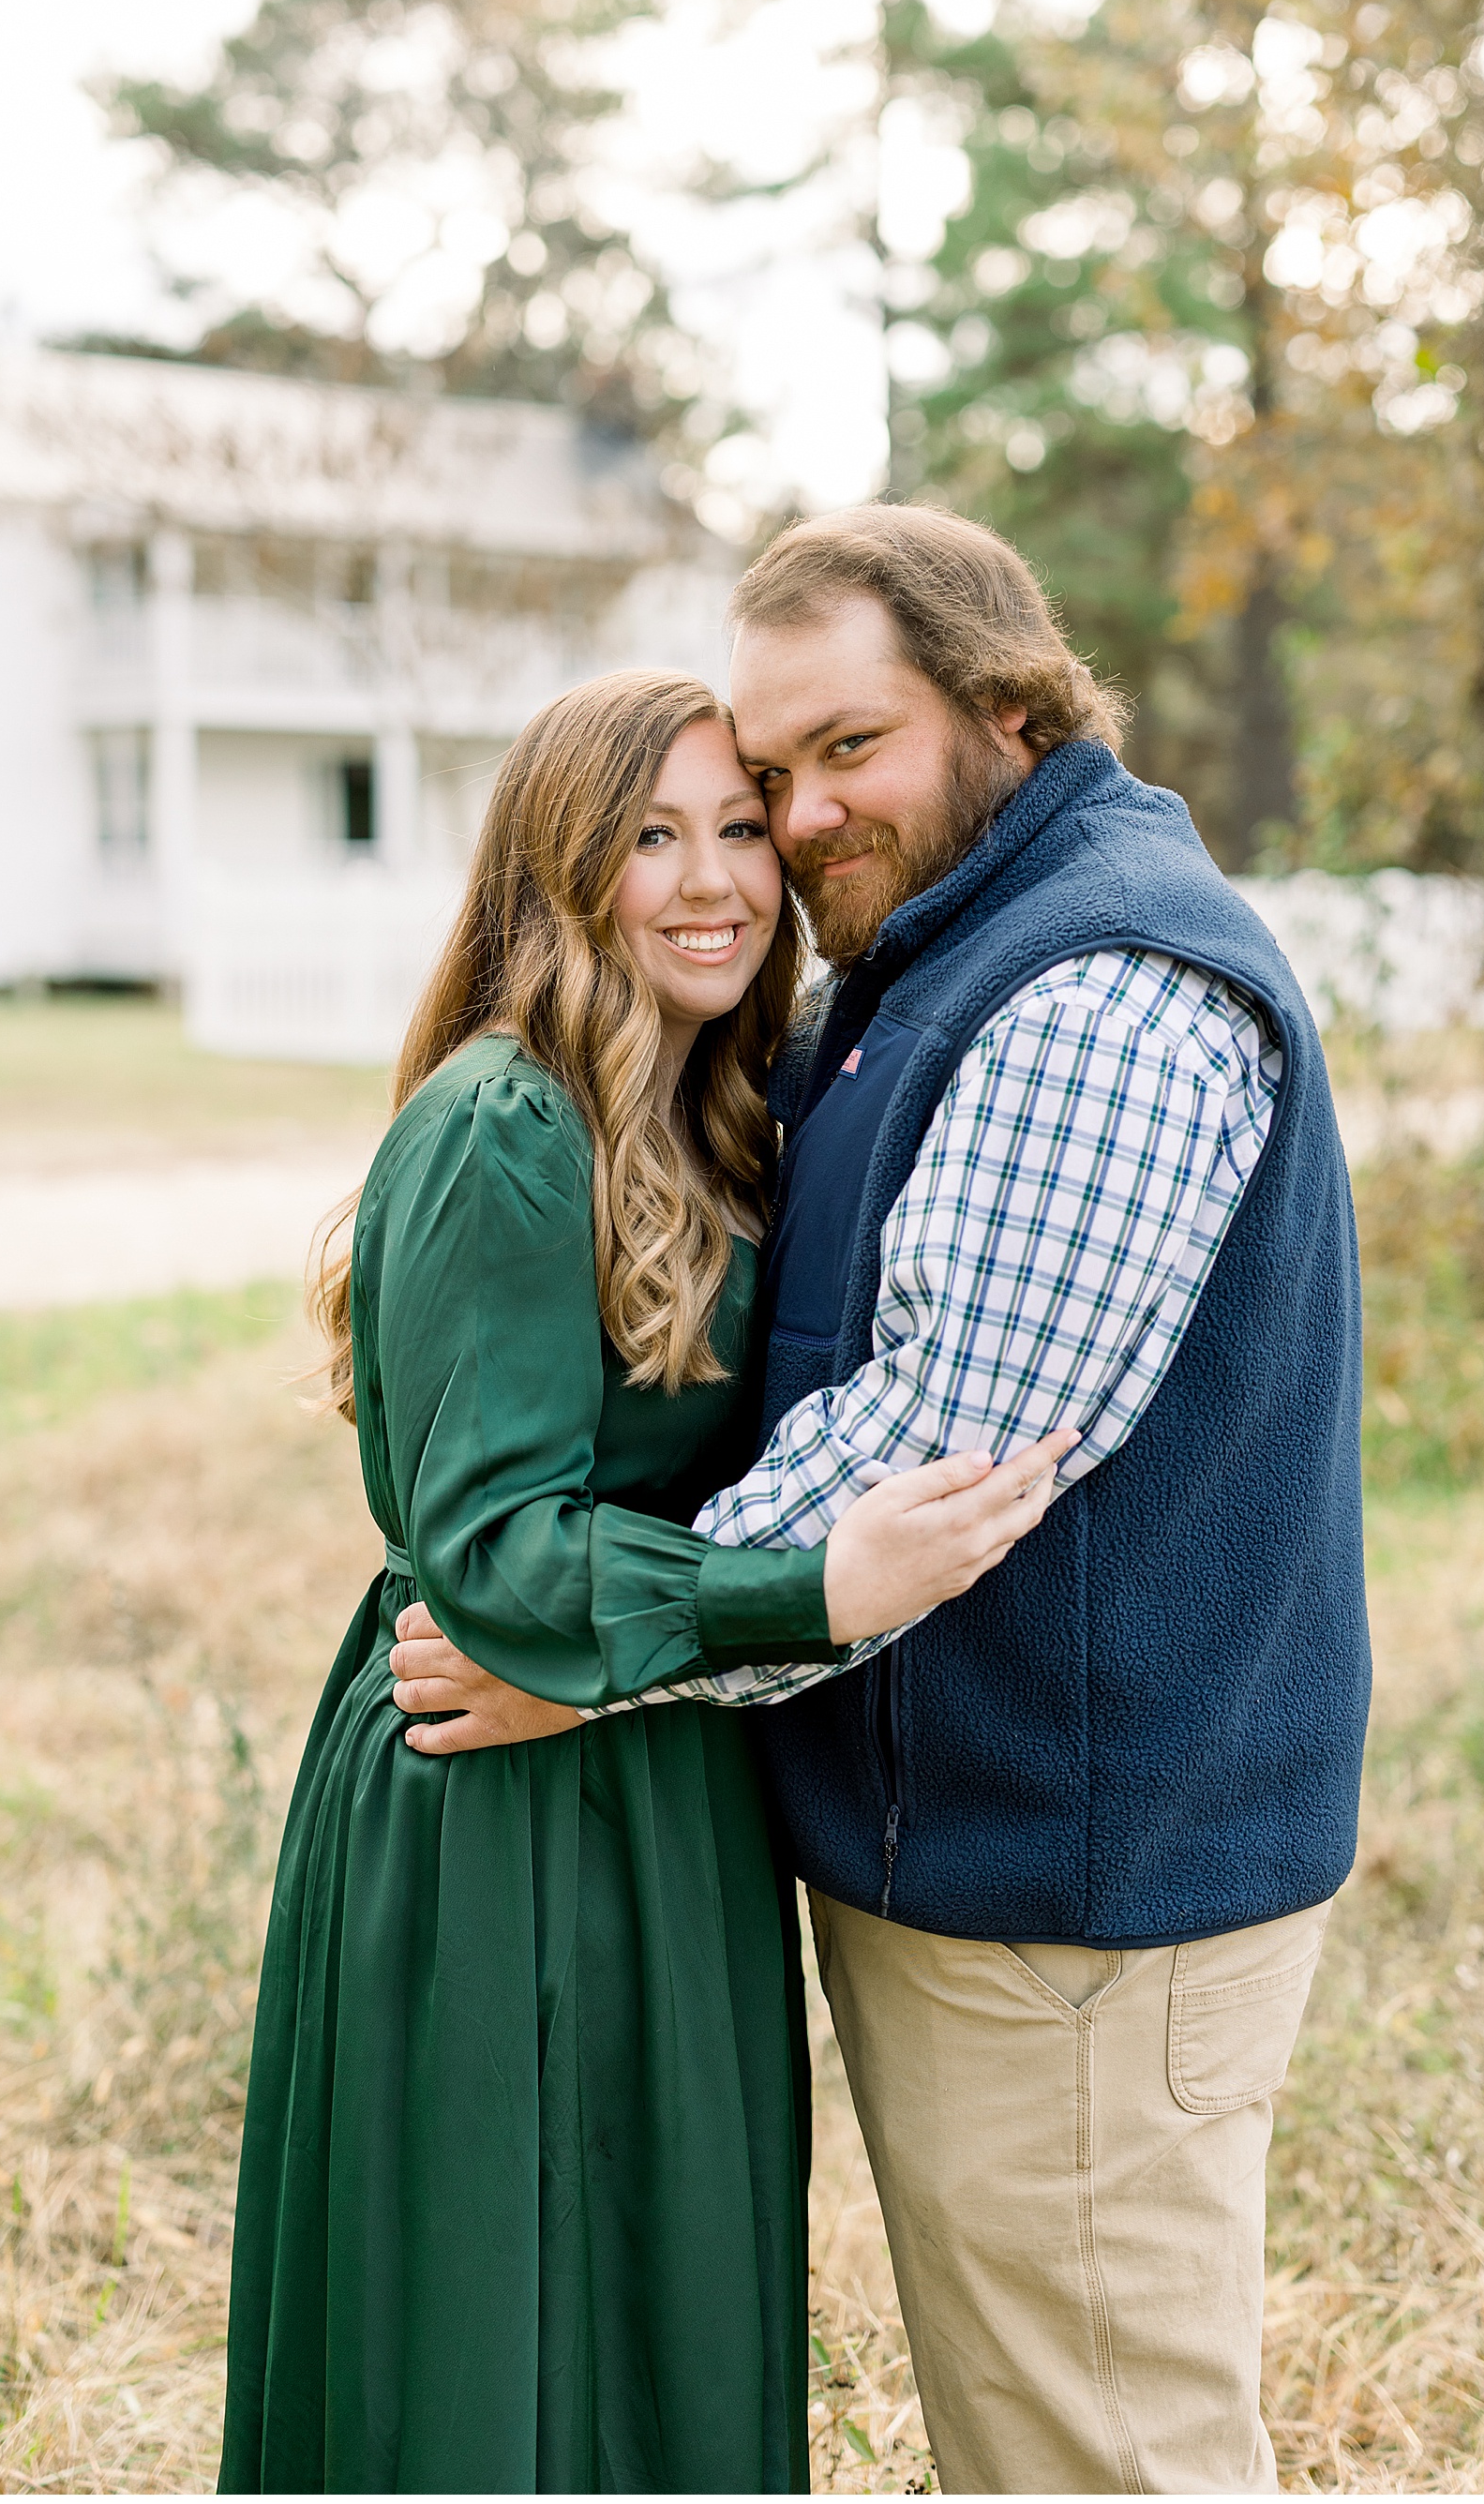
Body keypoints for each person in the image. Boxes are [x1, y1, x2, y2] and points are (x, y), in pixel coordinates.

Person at [397, 506, 1372, 2495]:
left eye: (852, 747)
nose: (802, 815)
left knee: (1096, 2449)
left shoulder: (1101, 988)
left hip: (1078, 1899)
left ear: (1012, 710)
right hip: (981, 1865)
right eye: (771, 769)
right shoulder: (926, 953)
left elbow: (942, 1444)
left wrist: (596, 1653)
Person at [217, 666, 1072, 2496]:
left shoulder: (718, 1111)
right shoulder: (506, 1126)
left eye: (739, 831)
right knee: (494, 2347)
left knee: (661, 2323)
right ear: (559, 872)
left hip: (663, 1773)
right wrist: (810, 1588)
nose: (712, 882)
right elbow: (498, 1551)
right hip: (499, 1796)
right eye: (650, 838)